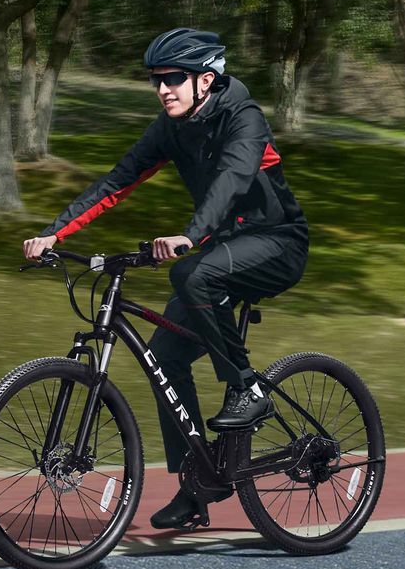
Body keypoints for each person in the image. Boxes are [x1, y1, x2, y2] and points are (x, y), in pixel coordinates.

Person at [23, 28, 308, 530]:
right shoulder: (171, 127)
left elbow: (232, 181)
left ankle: (247, 388)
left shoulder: (244, 118)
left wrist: (189, 236)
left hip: (277, 242)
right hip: (221, 251)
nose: (162, 89)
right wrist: (53, 234)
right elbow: (118, 181)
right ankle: (198, 485)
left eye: (173, 79)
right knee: (165, 358)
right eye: (156, 80)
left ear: (206, 80)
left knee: (190, 272)